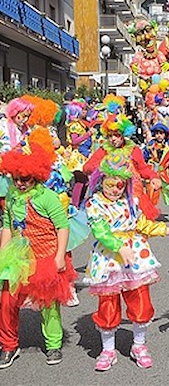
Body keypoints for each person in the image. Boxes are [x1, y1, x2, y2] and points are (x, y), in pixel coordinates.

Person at [84, 155, 169, 371]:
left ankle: (139, 345)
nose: (115, 189)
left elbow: (143, 225)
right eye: (110, 184)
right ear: (101, 181)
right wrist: (119, 248)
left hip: (135, 257)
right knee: (108, 305)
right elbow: (100, 231)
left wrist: (166, 230)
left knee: (140, 301)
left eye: (120, 185)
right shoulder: (94, 203)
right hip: (109, 258)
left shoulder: (130, 201)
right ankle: (108, 349)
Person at [0, 130, 76, 368]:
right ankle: (9, 346)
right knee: (7, 302)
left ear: (36, 176)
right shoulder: (12, 196)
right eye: (16, 179)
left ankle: (53, 345)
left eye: (26, 179)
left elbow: (62, 227)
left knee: (48, 304)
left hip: (45, 256)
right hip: (18, 257)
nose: (20, 183)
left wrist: (59, 256)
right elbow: (7, 226)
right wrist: (3, 255)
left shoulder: (48, 197)